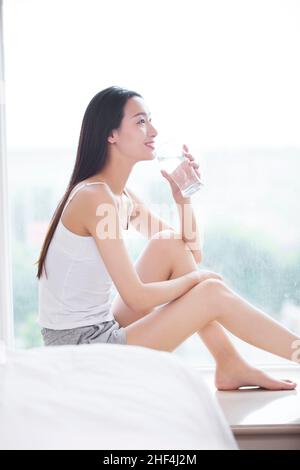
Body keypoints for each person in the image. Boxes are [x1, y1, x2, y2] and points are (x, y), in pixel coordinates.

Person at [36, 85, 299, 391]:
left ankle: (229, 363)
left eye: (150, 120)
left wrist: (182, 197)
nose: (153, 130)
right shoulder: (95, 198)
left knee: (168, 244)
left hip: (101, 328)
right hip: (79, 353)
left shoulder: (119, 196)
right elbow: (136, 296)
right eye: (140, 122)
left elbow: (187, 253)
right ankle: (259, 358)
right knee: (210, 292)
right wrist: (197, 281)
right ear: (112, 135)